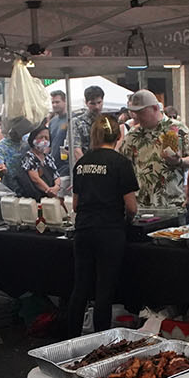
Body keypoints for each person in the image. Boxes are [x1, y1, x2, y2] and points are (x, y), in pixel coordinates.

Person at [64, 113, 138, 335]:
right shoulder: (121, 163)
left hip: (83, 230)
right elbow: (131, 207)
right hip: (110, 231)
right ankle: (100, 341)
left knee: (80, 287)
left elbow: (75, 204)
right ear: (118, 136)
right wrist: (128, 221)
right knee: (104, 290)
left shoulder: (81, 163)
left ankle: (70, 338)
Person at [119, 90, 189, 215]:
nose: (137, 117)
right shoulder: (133, 134)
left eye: (141, 112)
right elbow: (122, 163)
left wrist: (179, 161)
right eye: (135, 113)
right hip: (142, 207)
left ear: (155, 108)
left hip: (171, 205)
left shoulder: (176, 128)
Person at [67, 85, 107, 173]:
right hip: (85, 169)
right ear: (86, 102)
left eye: (99, 102)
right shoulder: (76, 122)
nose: (97, 107)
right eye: (92, 103)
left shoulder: (106, 121)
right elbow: (76, 150)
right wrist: (89, 170)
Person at [15, 128, 59, 199]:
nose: (44, 140)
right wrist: (49, 190)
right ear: (33, 139)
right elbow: (35, 179)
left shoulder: (49, 158)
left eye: (46, 138)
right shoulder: (28, 157)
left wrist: (56, 187)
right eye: (41, 137)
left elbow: (56, 175)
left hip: (49, 196)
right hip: (33, 197)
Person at [46, 89, 72, 181]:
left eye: (57, 102)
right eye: (53, 102)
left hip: (67, 166)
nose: (54, 105)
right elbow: (49, 144)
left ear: (65, 102)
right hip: (54, 166)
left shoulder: (72, 119)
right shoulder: (52, 122)